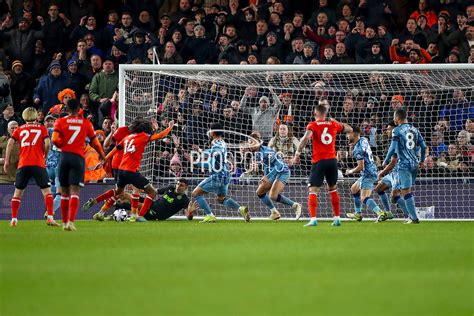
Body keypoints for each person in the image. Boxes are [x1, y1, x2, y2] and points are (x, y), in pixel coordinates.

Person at [83, 118, 174, 222]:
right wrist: (169, 127)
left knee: (118, 192)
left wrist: (104, 160)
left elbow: (115, 149)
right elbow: (160, 136)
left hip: (121, 170)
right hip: (131, 171)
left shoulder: (127, 138)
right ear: (146, 129)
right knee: (152, 192)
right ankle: (139, 216)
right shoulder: (144, 136)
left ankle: (97, 205)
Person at [291, 103, 352, 227]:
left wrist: (297, 153)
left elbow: (306, 138)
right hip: (332, 161)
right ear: (325, 114)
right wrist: (335, 121)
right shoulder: (333, 124)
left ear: (315, 114)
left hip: (319, 161)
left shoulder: (312, 125)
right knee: (333, 188)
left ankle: (313, 219)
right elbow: (350, 129)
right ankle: (337, 218)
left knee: (313, 190)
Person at [52, 99, 105, 231]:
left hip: (64, 157)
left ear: (67, 109)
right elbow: (96, 142)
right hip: (78, 158)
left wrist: (63, 145)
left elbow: (54, 140)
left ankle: (64, 222)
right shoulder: (85, 123)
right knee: (75, 191)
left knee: (64, 192)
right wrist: (102, 155)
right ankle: (71, 221)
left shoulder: (60, 121)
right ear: (79, 108)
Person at [4, 108, 59, 227]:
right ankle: (50, 217)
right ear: (35, 116)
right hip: (38, 163)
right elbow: (48, 143)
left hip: (23, 164)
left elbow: (10, 143)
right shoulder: (41, 128)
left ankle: (14, 219)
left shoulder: (19, 129)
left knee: (18, 193)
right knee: (47, 192)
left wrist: (6, 161)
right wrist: (45, 154)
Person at [191, 122, 249, 223]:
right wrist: (200, 151)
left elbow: (211, 163)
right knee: (221, 198)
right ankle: (241, 209)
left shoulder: (216, 145)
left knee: (195, 193)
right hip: (226, 175)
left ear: (212, 132)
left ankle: (210, 215)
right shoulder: (222, 142)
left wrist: (196, 163)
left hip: (218, 175)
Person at [382, 109, 427, 224]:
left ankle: (414, 218)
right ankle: (412, 217)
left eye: (394, 117)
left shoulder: (396, 130)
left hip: (404, 164)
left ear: (397, 118)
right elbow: (424, 147)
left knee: (406, 191)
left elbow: (392, 148)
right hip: (414, 164)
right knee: (406, 191)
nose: (393, 120)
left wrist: (385, 160)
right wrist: (421, 160)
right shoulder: (415, 129)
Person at [247, 132, 302, 220]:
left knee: (273, 195)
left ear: (258, 142)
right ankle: (274, 212)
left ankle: (295, 205)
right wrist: (264, 176)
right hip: (274, 172)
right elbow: (266, 165)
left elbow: (280, 166)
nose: (250, 145)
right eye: (249, 143)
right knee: (259, 192)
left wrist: (267, 177)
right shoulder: (257, 153)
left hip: (283, 171)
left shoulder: (267, 152)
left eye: (252, 143)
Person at [345, 127, 386, 222]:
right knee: (354, 189)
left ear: (354, 134)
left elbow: (360, 167)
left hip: (367, 174)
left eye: (348, 134)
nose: (347, 136)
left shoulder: (357, 150)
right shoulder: (363, 139)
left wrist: (350, 171)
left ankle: (380, 213)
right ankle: (358, 214)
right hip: (370, 170)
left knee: (364, 197)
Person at [374, 121, 407, 220]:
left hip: (400, 172)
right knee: (379, 189)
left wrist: (382, 172)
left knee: (394, 196)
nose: (386, 131)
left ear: (394, 130)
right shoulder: (394, 141)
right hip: (394, 173)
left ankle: (412, 215)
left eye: (388, 129)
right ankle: (388, 212)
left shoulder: (399, 141)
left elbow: (393, 162)